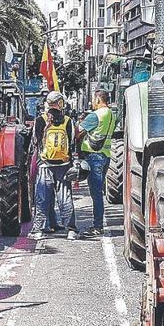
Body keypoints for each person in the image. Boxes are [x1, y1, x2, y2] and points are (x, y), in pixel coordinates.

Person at [30, 91, 79, 240]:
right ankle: (71, 230)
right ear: (60, 104)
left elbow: (35, 142)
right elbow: (72, 143)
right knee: (65, 198)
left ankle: (38, 230)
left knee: (42, 198)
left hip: (45, 164)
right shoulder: (68, 121)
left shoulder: (40, 120)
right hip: (64, 165)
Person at [77, 88, 116, 237]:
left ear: (99, 100)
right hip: (105, 155)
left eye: (94, 100)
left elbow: (77, 131)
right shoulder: (112, 114)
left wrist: (81, 123)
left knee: (96, 193)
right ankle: (98, 223)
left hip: (94, 156)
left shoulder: (96, 115)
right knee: (98, 192)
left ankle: (97, 226)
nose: (92, 103)